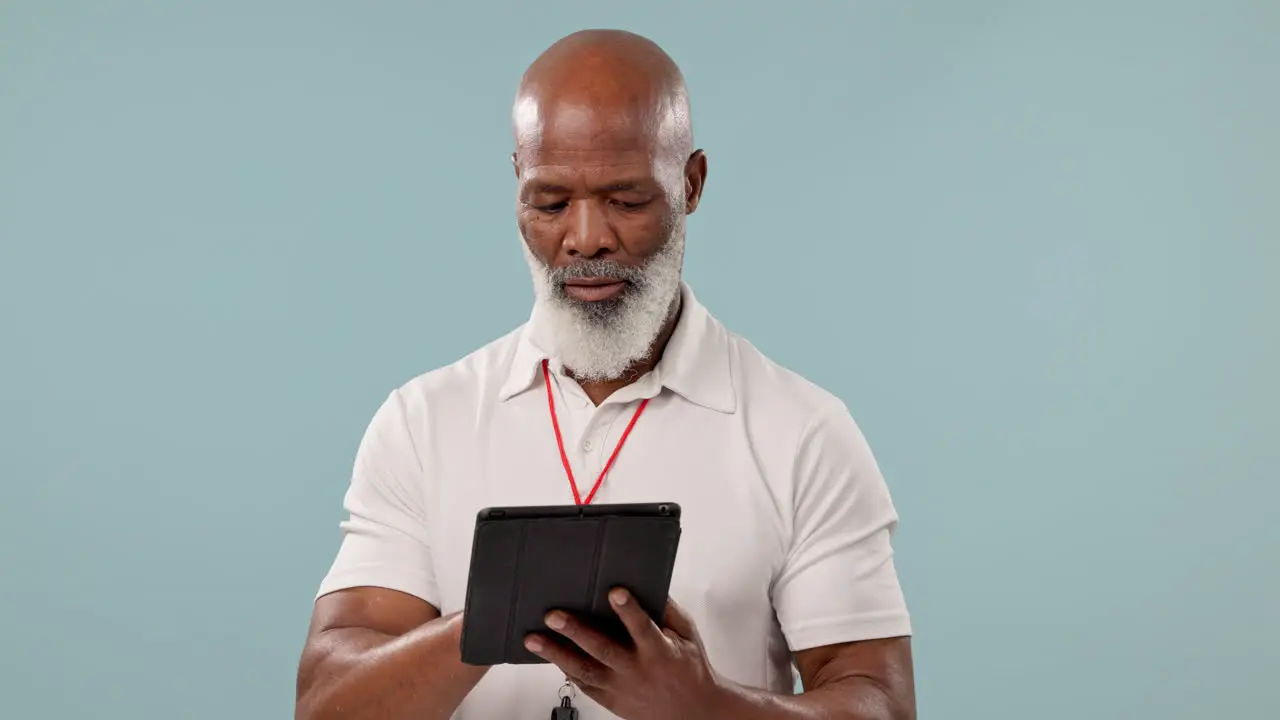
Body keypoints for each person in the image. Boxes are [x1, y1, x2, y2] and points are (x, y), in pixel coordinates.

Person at [295, 29, 915, 720]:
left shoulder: (803, 432)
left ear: (691, 184)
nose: (586, 237)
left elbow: (881, 703)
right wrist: (495, 617)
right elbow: (327, 703)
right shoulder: (422, 423)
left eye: (625, 199)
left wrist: (703, 706)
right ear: (517, 188)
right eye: (551, 202)